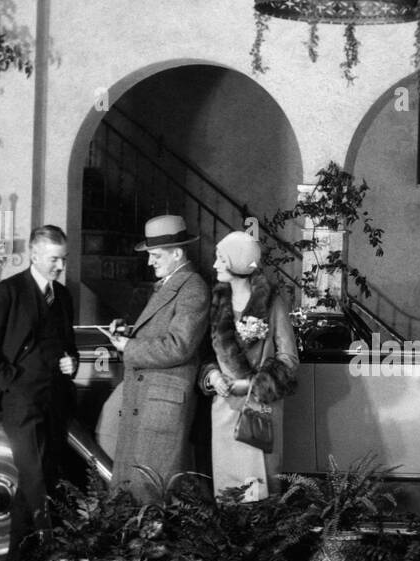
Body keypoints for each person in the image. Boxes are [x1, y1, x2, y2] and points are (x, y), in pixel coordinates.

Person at [0, 225, 78, 561]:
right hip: (20, 401)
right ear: (34, 255)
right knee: (35, 478)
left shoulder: (62, 296)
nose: (61, 266)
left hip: (54, 402)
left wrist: (72, 362)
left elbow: (68, 345)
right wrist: (10, 382)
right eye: (54, 259)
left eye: (63, 258)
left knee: (39, 478)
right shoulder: (9, 292)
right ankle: (53, 559)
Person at [107, 214, 210, 503]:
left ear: (177, 254)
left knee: (151, 491)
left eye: (155, 255)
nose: (150, 261)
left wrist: (129, 346)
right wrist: (129, 335)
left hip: (162, 405)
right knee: (138, 489)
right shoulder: (171, 284)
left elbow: (179, 346)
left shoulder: (192, 288)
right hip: (151, 401)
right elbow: (165, 333)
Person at [199, 230, 298, 498]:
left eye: (221, 259)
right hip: (225, 409)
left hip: (260, 410)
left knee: (260, 489)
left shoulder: (273, 302)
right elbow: (206, 357)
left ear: (237, 263)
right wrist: (213, 378)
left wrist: (253, 384)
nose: (215, 265)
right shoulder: (215, 303)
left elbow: (289, 360)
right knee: (228, 491)